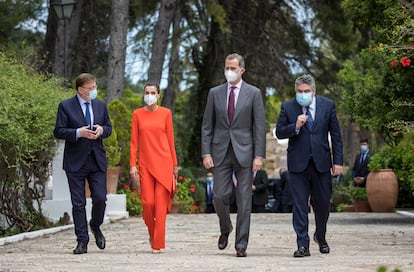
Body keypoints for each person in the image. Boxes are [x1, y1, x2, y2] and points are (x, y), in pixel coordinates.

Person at [201, 53, 266, 257]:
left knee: (244, 200)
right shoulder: (215, 93)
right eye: (226, 68)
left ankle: (241, 244)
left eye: (233, 68)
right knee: (219, 196)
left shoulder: (254, 93)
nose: (229, 71)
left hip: (245, 152)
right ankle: (225, 228)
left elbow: (259, 126)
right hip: (220, 152)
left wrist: (259, 156)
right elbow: (206, 126)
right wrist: (206, 152)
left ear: (242, 70)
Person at [276, 74, 343, 258]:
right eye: (299, 91)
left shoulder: (327, 105)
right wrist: (295, 126)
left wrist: (338, 161)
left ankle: (320, 237)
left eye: (306, 91)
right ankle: (302, 244)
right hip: (298, 164)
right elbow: (280, 132)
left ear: (313, 91)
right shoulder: (288, 107)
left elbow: (336, 135)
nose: (303, 94)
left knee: (322, 204)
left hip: (321, 163)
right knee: (299, 205)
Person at [54, 73, 112, 254]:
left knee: (100, 198)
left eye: (95, 87)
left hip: (96, 160)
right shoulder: (65, 106)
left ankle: (95, 226)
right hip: (75, 161)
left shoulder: (101, 105)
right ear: (81, 89)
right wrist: (78, 132)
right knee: (78, 204)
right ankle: (82, 240)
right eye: (91, 88)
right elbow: (59, 131)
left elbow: (109, 128)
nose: (94, 90)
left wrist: (102, 130)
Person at [129, 82, 178, 254]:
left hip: (164, 164)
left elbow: (171, 140)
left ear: (158, 95)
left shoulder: (166, 113)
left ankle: (157, 243)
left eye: (152, 92)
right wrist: (132, 165)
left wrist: (174, 165)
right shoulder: (137, 114)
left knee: (159, 206)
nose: (149, 95)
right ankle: (152, 232)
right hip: (145, 165)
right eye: (147, 92)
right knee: (148, 203)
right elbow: (134, 142)